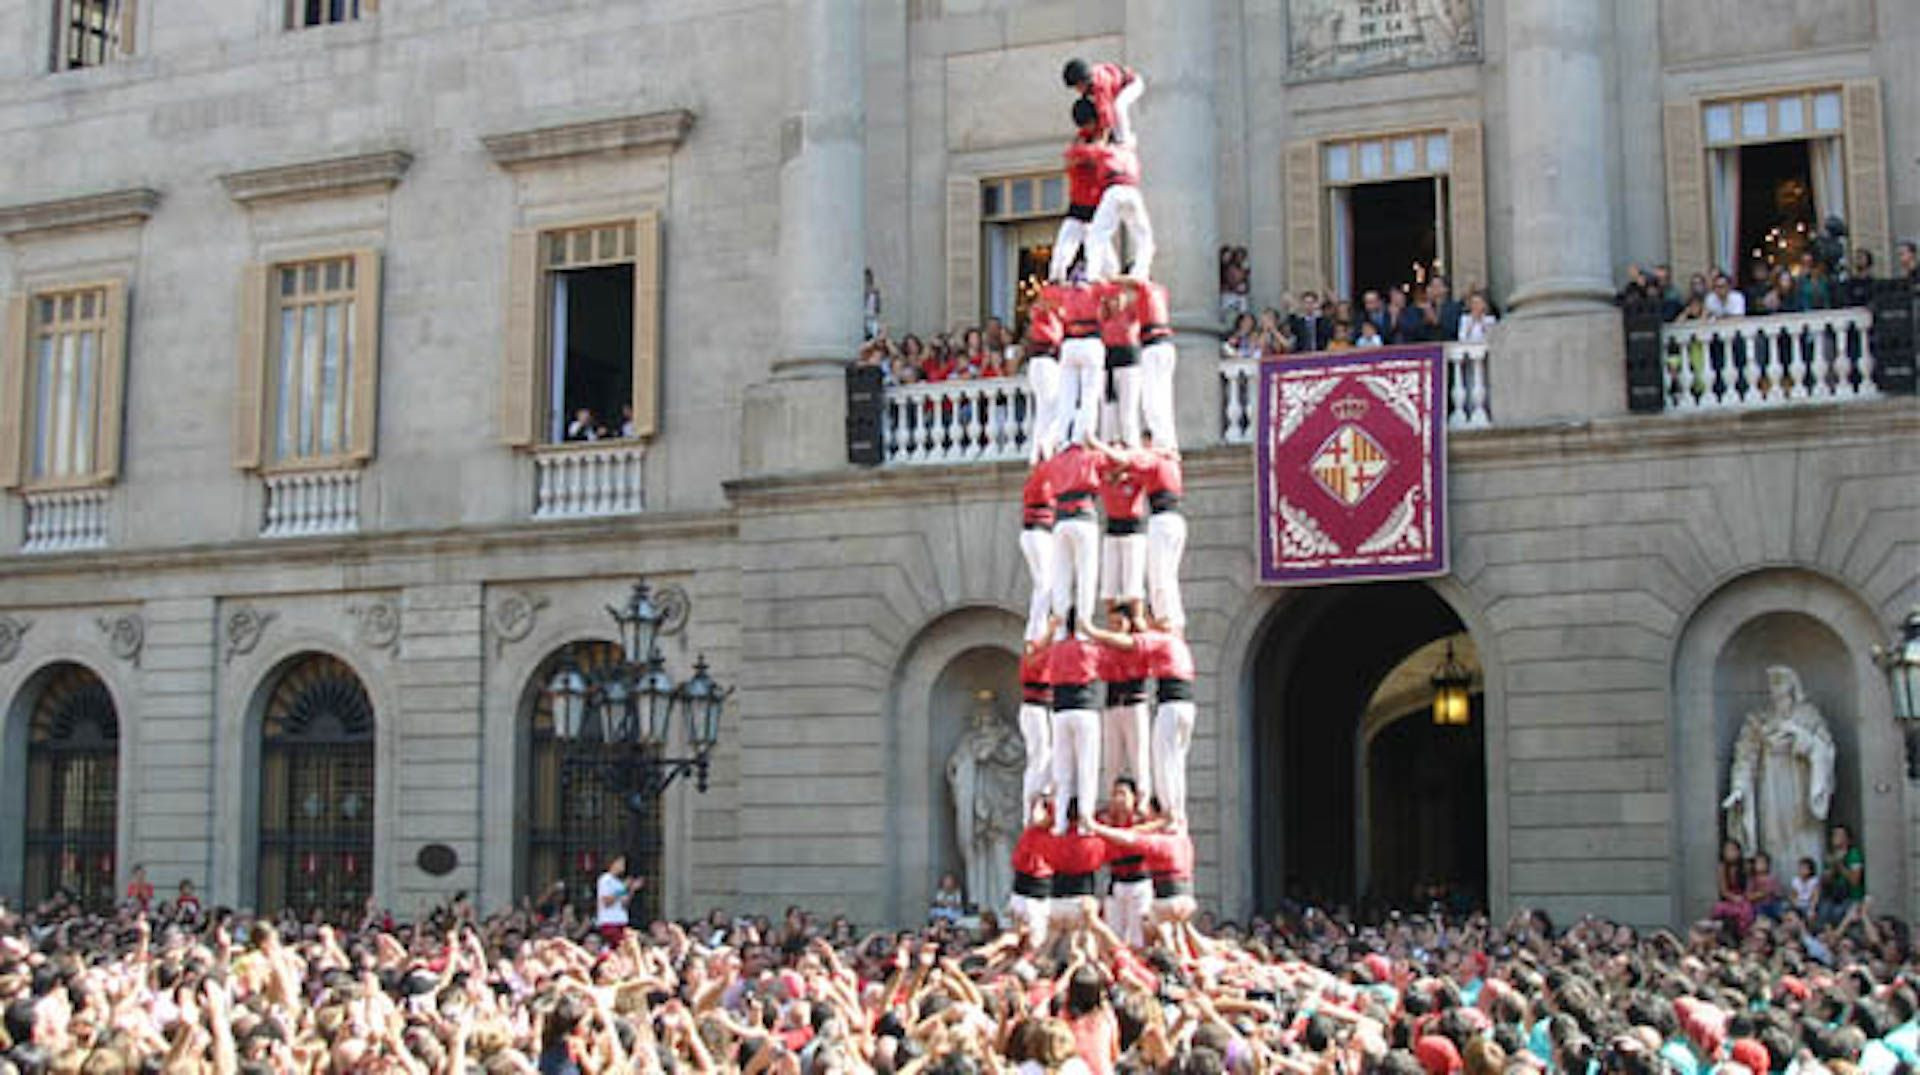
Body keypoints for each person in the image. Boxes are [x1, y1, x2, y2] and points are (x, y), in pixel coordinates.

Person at [1044, 613, 1103, 837]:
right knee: (1086, 769)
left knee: (1062, 771)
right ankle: (1084, 820)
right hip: (1084, 708)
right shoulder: (1089, 647)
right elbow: (1101, 667)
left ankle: (1059, 822)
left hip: (1060, 711)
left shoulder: (1056, 649)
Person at [1044, 443, 1102, 633]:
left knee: (1060, 576)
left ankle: (1060, 628)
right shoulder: (1089, 455)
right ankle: (1084, 625)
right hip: (1083, 516)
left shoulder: (1055, 460)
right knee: (1086, 574)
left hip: (1061, 519)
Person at [1137, 436, 1184, 633]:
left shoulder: (1155, 460)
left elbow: (1130, 463)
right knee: (1168, 577)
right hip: (1174, 520)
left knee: (1159, 577)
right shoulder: (1170, 460)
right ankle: (1173, 619)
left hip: (1162, 520)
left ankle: (1165, 619)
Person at [1096, 279, 1143, 445]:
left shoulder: (1131, 314)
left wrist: (1123, 279)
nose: (1115, 303)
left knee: (1128, 408)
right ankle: (1109, 439)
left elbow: (1141, 293)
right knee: (1108, 406)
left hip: (1128, 360)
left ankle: (1131, 441)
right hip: (1109, 362)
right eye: (1112, 299)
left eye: (1118, 298)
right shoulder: (1103, 319)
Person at [1133, 277, 1177, 451]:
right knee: (1164, 398)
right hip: (1166, 346)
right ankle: (1168, 440)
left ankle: (1161, 441)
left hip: (1152, 348)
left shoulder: (1143, 290)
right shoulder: (1160, 290)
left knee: (1151, 401)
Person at [1026, 283, 1068, 462]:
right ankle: (1047, 442)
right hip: (1045, 360)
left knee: (1045, 410)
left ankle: (1037, 453)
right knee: (1058, 405)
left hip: (1045, 361)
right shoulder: (1043, 311)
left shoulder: (1048, 315)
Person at [1062, 58, 1143, 147]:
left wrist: (1101, 141)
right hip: (1115, 89)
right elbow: (1093, 114)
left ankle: (1124, 140)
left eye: (1078, 86)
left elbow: (1106, 113)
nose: (1077, 90)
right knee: (1113, 109)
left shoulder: (1100, 85)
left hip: (1131, 84)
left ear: (1085, 80)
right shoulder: (1089, 87)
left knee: (1118, 106)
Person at [1821, 823, 1865, 926]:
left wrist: (1840, 865)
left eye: (1839, 835)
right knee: (1823, 912)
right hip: (1834, 896)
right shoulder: (1831, 856)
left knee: (1838, 914)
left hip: (1851, 897)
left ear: (1848, 839)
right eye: (1834, 835)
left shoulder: (1854, 854)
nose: (1835, 838)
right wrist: (1832, 868)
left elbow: (1855, 881)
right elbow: (1825, 881)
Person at [1712, 839, 1755, 937]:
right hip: (1730, 899)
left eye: (1734, 850)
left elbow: (1749, 885)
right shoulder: (1722, 868)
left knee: (1746, 911)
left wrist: (1744, 897)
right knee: (1718, 909)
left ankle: (1743, 935)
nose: (1731, 853)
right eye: (1728, 850)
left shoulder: (1745, 866)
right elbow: (1724, 890)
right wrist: (1733, 898)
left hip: (1743, 898)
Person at [595, 854, 632, 944]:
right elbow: (607, 901)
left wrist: (631, 889)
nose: (623, 866)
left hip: (620, 921)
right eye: (620, 863)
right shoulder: (605, 880)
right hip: (610, 922)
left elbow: (624, 903)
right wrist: (622, 889)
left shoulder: (618, 883)